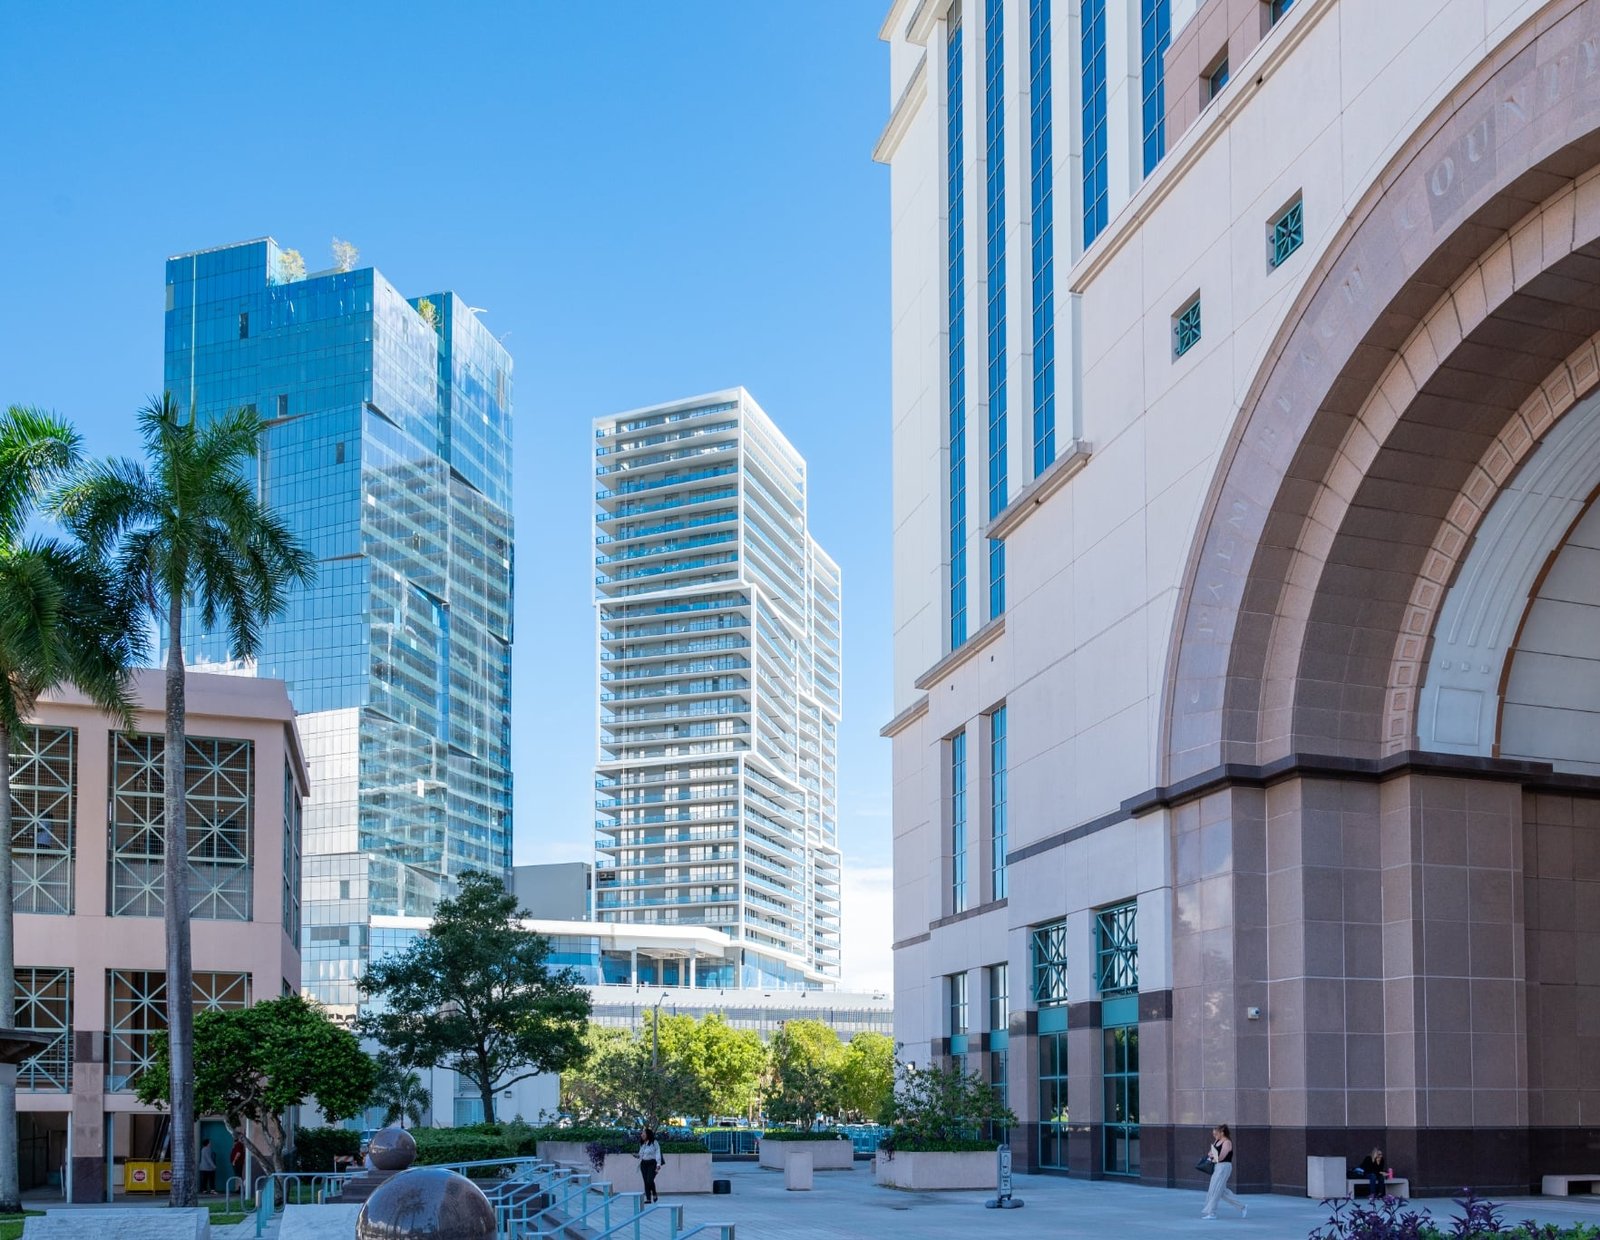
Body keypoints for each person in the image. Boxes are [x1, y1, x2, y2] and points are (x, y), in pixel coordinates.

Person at [1200, 1123, 1247, 1220]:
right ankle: (1242, 1206)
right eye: (1213, 1134)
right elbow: (1211, 1152)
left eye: (1216, 1134)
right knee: (1220, 1191)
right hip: (1217, 1167)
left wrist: (1213, 1157)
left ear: (1222, 1133)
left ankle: (1212, 1213)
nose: (1214, 1136)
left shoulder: (1227, 1142)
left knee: (1216, 1189)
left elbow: (1222, 1157)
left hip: (1224, 1167)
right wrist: (1211, 1155)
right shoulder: (1217, 1140)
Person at [637, 1127, 664, 1204]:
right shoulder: (642, 1143)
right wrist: (638, 1156)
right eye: (642, 1133)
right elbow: (641, 1154)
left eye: (643, 1133)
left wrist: (658, 1164)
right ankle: (648, 1198)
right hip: (643, 1164)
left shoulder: (654, 1143)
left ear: (648, 1134)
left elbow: (658, 1153)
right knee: (645, 1181)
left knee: (650, 1180)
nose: (642, 1135)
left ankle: (654, 1193)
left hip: (652, 1163)